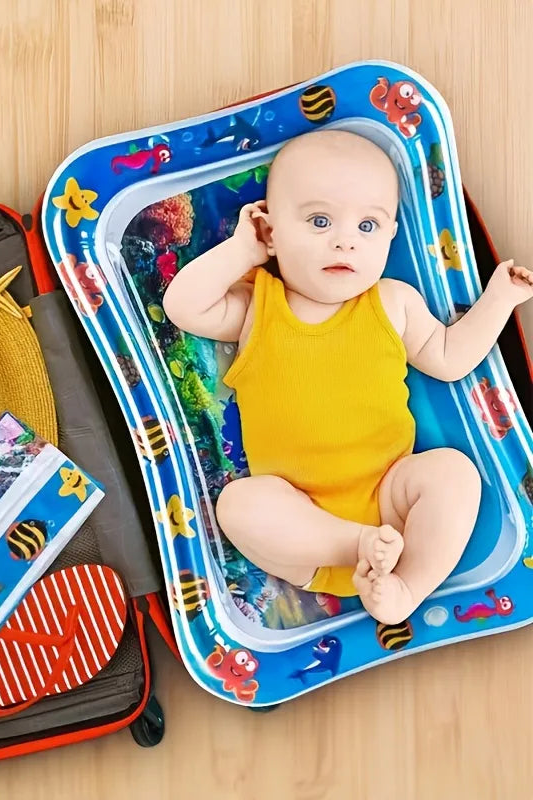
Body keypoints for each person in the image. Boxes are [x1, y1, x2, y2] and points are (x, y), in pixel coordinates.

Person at [162, 129, 533, 624]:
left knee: (454, 473)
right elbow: (182, 306)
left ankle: (406, 587)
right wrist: (240, 254)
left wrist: (499, 301)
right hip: (303, 531)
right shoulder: (259, 305)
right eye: (319, 221)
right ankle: (357, 546)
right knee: (237, 504)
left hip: (391, 500)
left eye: (367, 226)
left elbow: (449, 356)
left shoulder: (392, 302)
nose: (345, 240)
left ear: (391, 235)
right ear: (272, 233)